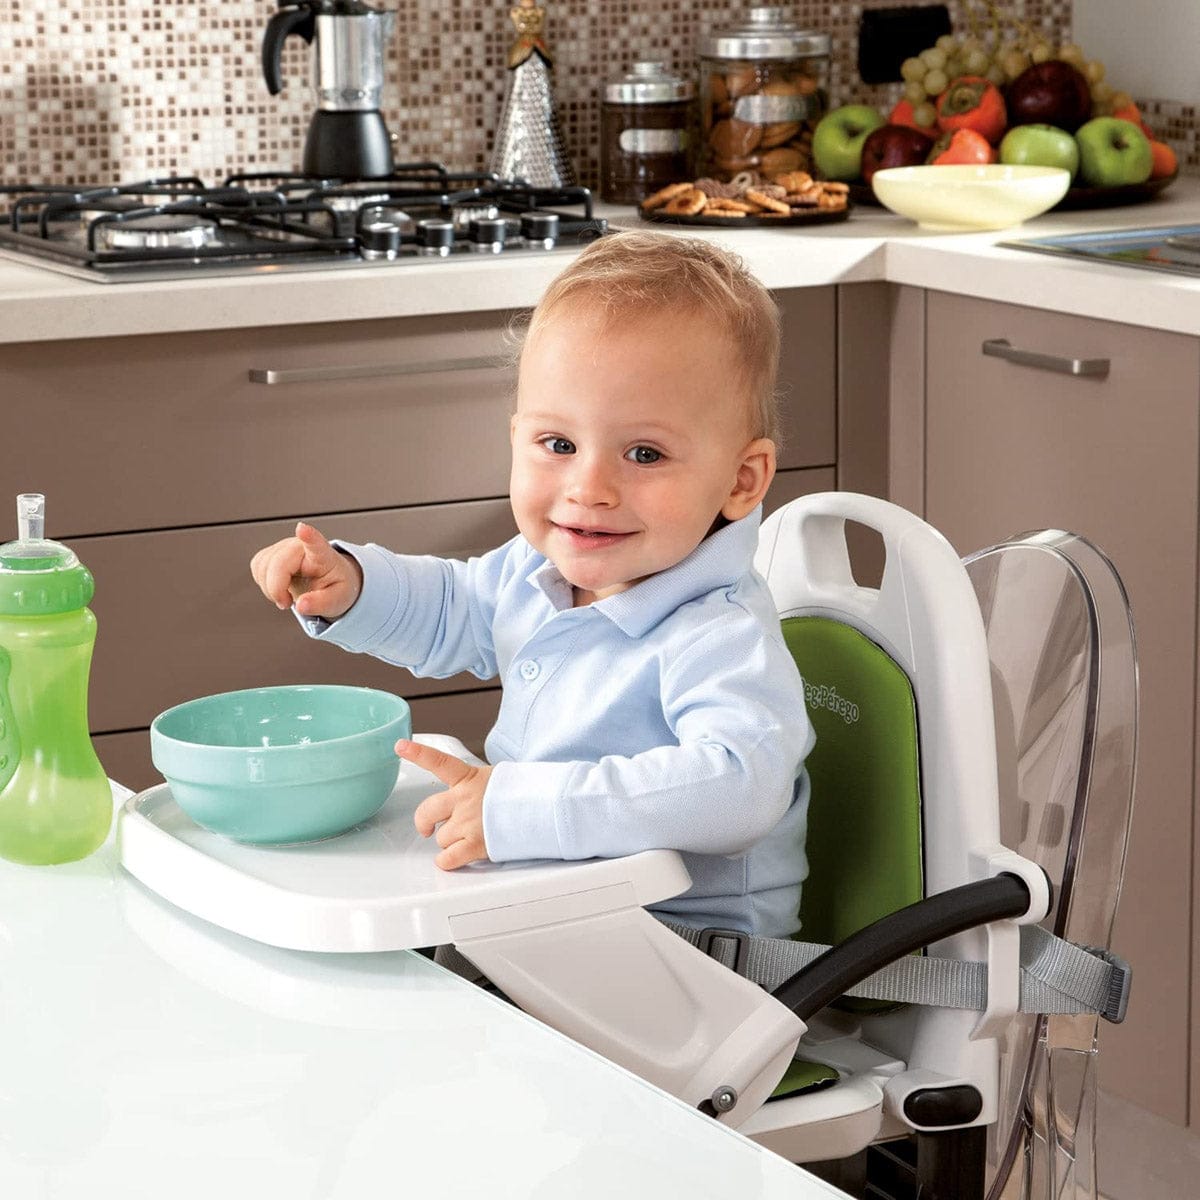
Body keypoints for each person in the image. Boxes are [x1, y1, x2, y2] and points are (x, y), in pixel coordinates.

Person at [249, 230, 815, 939]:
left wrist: (521, 810)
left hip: (681, 962)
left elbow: (740, 786)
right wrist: (355, 585)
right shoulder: (535, 570)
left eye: (645, 454)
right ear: (517, 437)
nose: (589, 487)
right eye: (559, 445)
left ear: (741, 480)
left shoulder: (719, 634)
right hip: (554, 920)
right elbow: (454, 607)